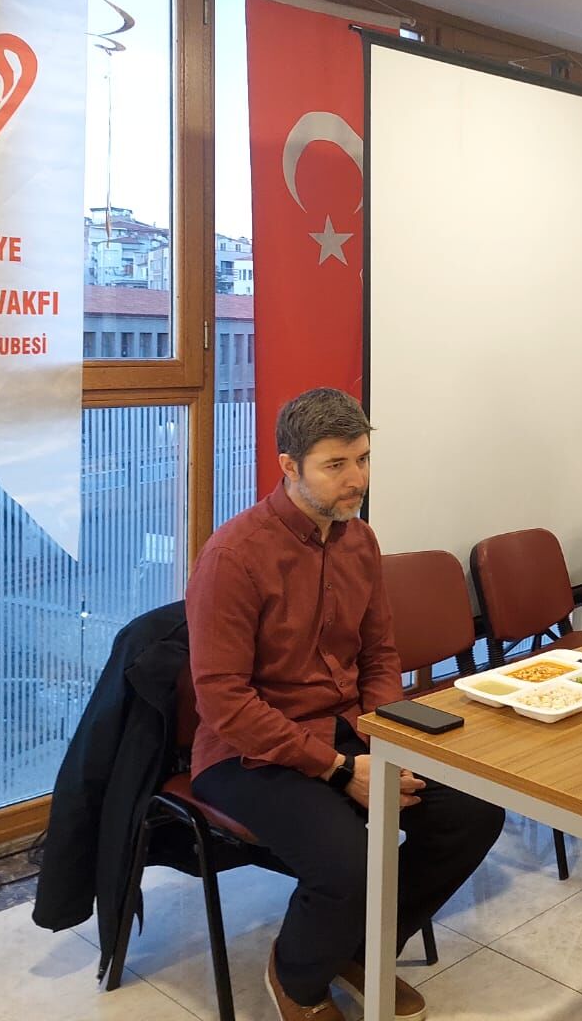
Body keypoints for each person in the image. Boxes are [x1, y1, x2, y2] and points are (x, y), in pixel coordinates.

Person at [186, 388, 504, 1021]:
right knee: (349, 862)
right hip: (247, 752)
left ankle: (359, 950)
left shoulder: (359, 541)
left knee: (473, 813)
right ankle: (297, 979)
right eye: (336, 465)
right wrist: (339, 770)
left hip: (346, 731)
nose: (357, 478)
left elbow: (380, 654)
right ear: (289, 465)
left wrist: (385, 740)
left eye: (363, 459)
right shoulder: (233, 556)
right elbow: (225, 702)